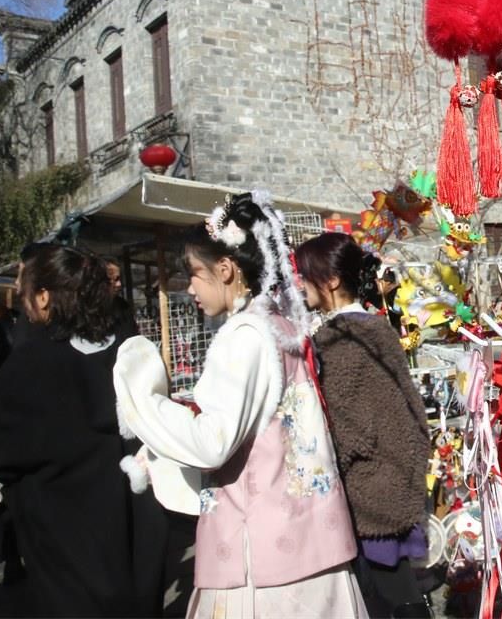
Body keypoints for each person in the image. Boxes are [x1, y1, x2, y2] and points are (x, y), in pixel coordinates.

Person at [113, 192, 365, 618]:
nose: (190, 287)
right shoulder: (280, 325)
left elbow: (212, 442)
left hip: (262, 553)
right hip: (303, 534)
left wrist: (143, 400)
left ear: (226, 269)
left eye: (194, 273)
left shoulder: (245, 334)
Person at [0, 245, 164, 617]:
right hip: (136, 532)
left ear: (44, 296)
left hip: (66, 544)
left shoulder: (30, 363)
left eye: (24, 287)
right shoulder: (128, 349)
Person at [295, 232, 431, 618]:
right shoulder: (375, 328)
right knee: (401, 593)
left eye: (305, 275)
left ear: (331, 281)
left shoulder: (341, 340)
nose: (300, 284)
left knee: (388, 600)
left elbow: (346, 428)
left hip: (370, 495)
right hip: (395, 480)